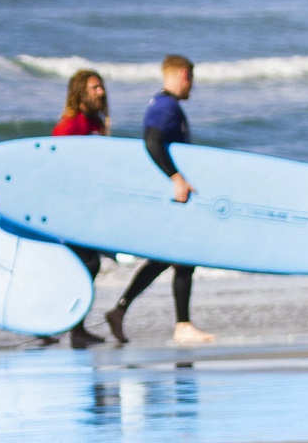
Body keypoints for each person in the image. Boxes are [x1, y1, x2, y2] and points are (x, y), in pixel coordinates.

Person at [106, 55, 209, 345]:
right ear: (183, 75)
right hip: (173, 194)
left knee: (168, 257)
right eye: (191, 77)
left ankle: (121, 309)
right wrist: (175, 178)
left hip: (169, 195)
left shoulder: (160, 104)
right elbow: (151, 140)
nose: (192, 85)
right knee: (183, 258)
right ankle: (182, 325)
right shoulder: (167, 107)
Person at [39, 69, 112, 348]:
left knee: (88, 265)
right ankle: (54, 323)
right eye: (95, 88)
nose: (101, 92)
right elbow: (55, 169)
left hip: (88, 209)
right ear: (80, 92)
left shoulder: (96, 123)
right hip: (69, 210)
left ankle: (71, 326)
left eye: (101, 87)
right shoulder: (70, 126)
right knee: (83, 265)